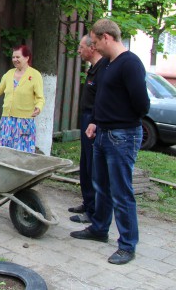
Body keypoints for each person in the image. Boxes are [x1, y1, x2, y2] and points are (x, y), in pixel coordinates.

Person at [70, 18, 150, 265]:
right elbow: (102, 97)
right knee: (101, 185)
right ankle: (99, 229)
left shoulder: (130, 64)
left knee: (121, 192)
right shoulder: (106, 64)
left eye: (95, 42)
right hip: (102, 132)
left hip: (122, 136)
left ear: (107, 37)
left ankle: (127, 245)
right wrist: (95, 120)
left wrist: (117, 121)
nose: (94, 47)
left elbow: (142, 106)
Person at [68, 35, 104, 224]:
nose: (79, 51)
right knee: (85, 164)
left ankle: (94, 211)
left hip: (93, 120)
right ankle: (88, 202)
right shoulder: (93, 69)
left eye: (82, 47)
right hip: (86, 118)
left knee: (92, 165)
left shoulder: (102, 70)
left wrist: (95, 121)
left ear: (92, 48)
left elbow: (102, 99)